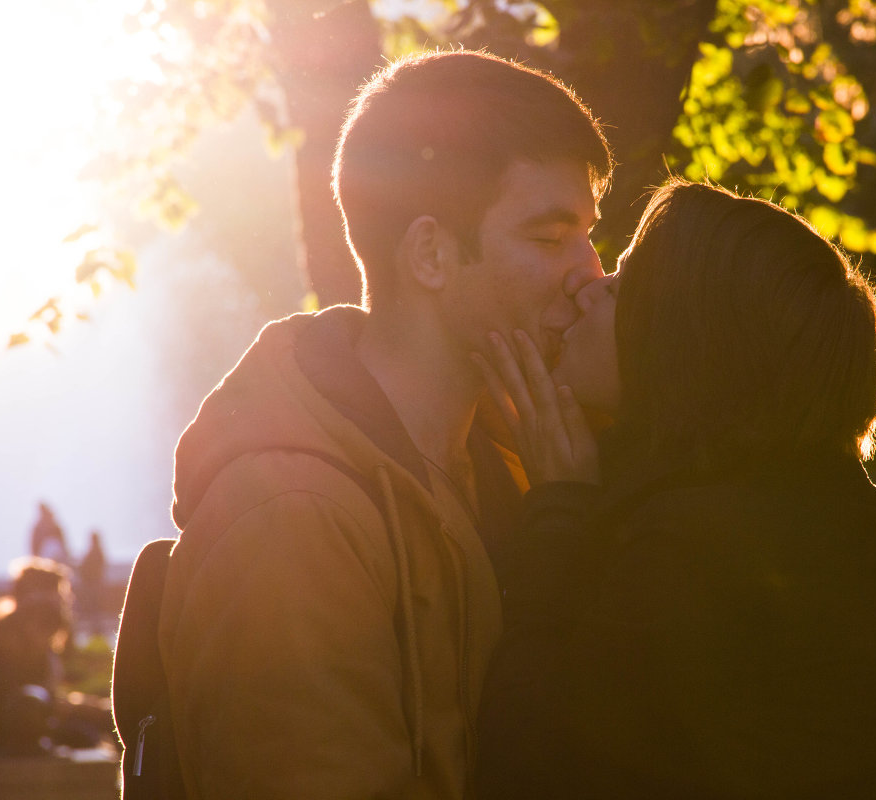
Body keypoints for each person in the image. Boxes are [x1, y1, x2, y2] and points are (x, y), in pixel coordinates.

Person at [156, 50, 613, 799]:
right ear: (431, 253)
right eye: (548, 237)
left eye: (589, 233)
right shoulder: (291, 523)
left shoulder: (521, 460)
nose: (590, 272)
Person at [474, 180, 876, 799]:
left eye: (623, 287)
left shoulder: (693, 543)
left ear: (676, 338)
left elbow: (528, 760)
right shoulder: (861, 518)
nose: (588, 289)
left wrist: (560, 513)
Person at [0, 558, 109, 755]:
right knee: (84, 735)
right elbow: (24, 706)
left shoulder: (22, 640)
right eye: (60, 595)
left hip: (5, 735)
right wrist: (85, 709)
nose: (66, 604)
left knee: (90, 727)